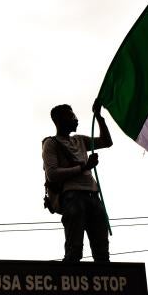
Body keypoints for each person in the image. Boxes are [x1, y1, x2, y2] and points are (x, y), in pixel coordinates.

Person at [42, 100, 113, 262]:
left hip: (93, 196)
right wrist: (83, 167)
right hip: (72, 197)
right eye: (71, 116)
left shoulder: (79, 140)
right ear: (59, 120)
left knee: (102, 251)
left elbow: (106, 142)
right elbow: (52, 174)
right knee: (74, 250)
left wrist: (99, 118)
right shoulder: (51, 144)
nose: (76, 119)